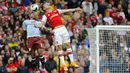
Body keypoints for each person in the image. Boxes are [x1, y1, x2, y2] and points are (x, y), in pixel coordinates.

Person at [35, 2, 82, 71]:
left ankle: (72, 62)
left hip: (63, 29)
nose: (47, 4)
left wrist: (75, 9)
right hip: (56, 31)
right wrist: (37, 25)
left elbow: (66, 10)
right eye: (45, 4)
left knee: (68, 45)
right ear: (44, 8)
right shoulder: (45, 15)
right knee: (60, 47)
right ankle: (63, 65)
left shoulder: (56, 10)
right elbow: (42, 24)